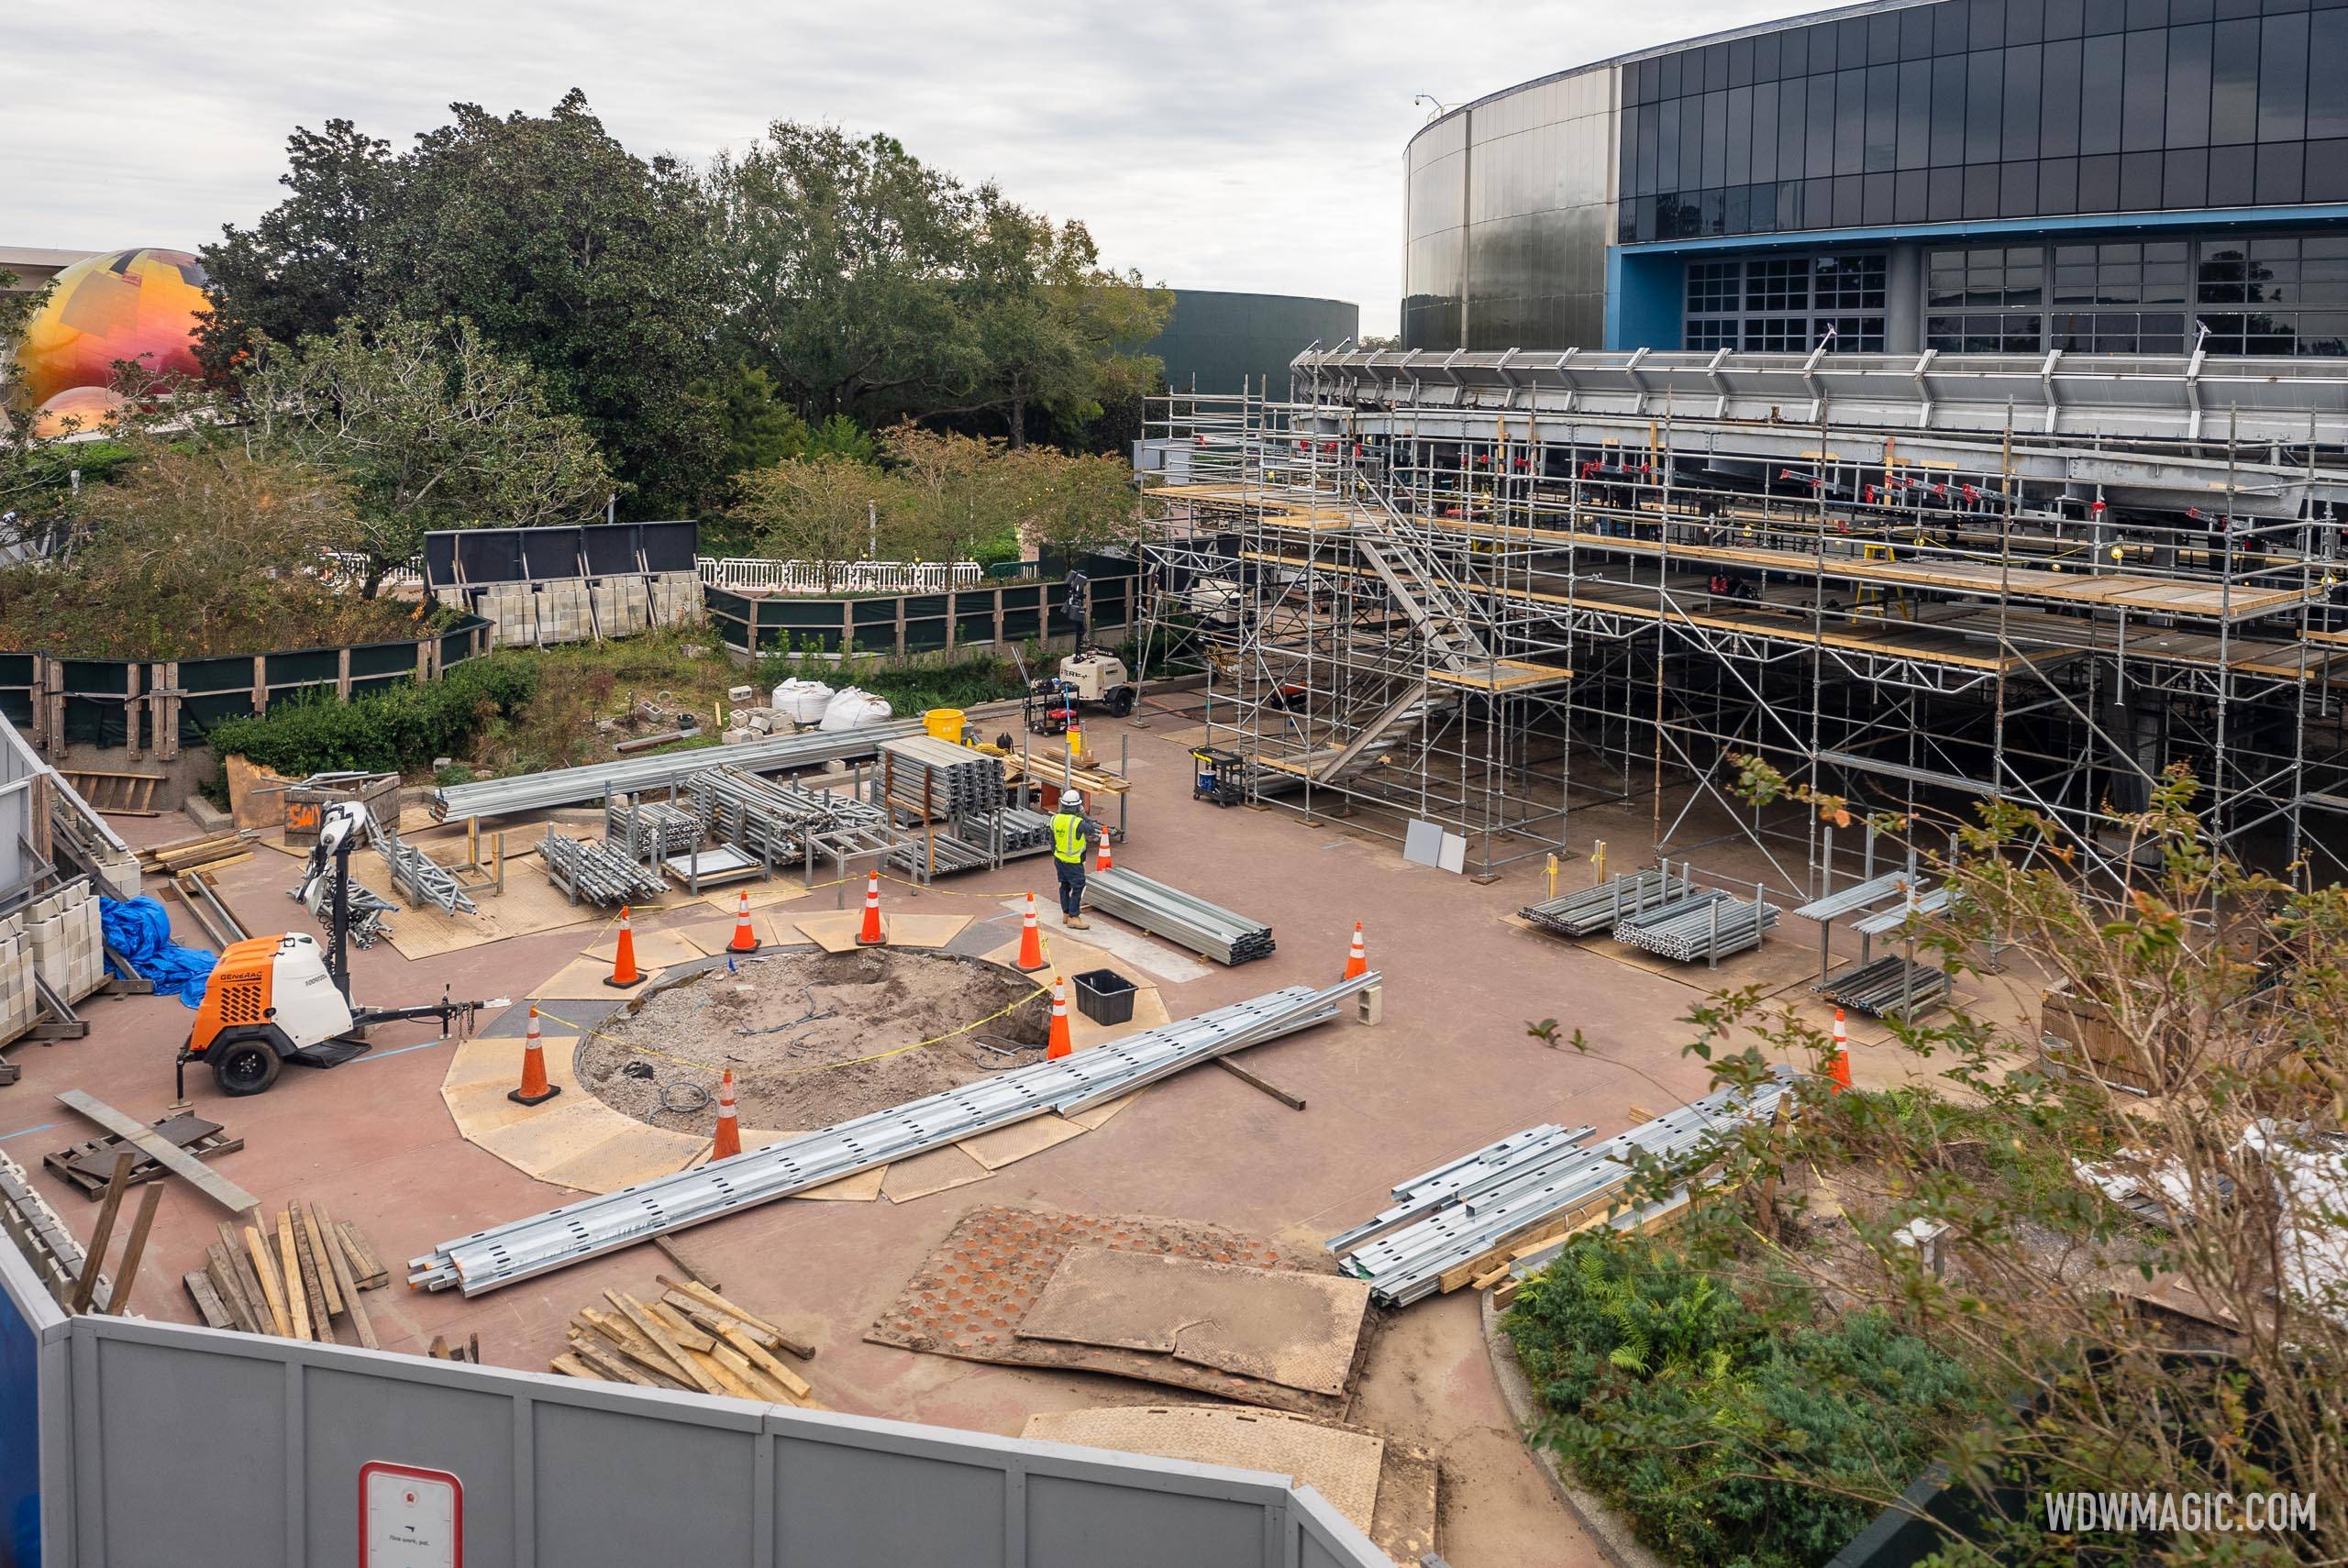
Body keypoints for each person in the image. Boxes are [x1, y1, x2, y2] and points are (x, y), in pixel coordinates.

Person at [1050, 790, 1099, 930]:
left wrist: (1057, 854)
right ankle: (1074, 916)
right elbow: (1091, 830)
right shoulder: (1077, 822)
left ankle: (1066, 914)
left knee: (1064, 885)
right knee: (1079, 886)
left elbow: (1052, 842)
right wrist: (1084, 816)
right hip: (1073, 861)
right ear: (1078, 807)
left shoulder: (1054, 819)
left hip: (1059, 859)